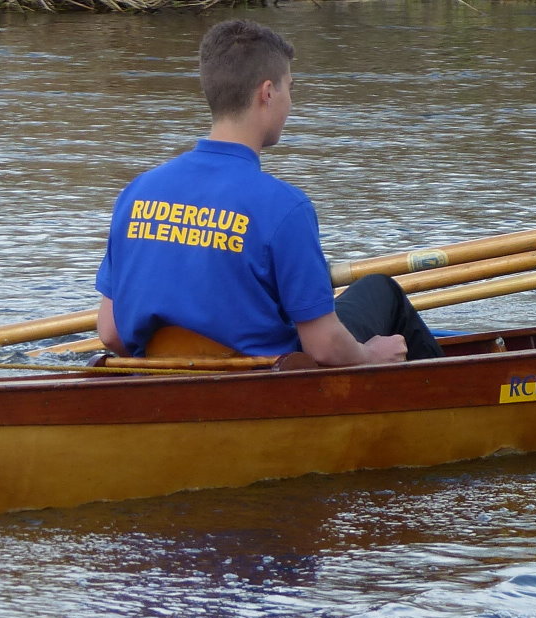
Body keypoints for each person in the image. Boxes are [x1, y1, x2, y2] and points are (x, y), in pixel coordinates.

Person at [94, 19, 441, 364]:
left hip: (164, 382)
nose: (290, 102)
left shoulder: (136, 193)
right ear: (268, 93)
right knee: (381, 289)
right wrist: (370, 355)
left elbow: (111, 333)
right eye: (289, 87)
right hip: (264, 384)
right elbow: (323, 346)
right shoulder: (285, 207)